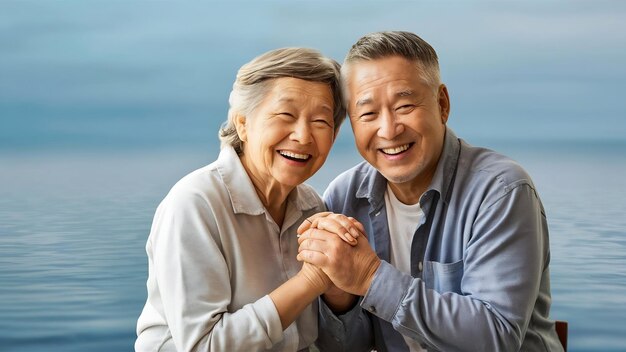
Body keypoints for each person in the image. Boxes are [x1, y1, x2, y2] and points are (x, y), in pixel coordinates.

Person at [297, 31, 564, 351]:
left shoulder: (501, 191)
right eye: (368, 113)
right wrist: (338, 297)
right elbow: (347, 345)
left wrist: (369, 275)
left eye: (405, 105)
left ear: (442, 104)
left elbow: (497, 338)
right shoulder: (344, 196)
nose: (389, 129)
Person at [135, 47, 361, 351]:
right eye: (286, 115)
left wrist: (339, 287)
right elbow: (204, 345)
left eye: (321, 122)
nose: (304, 136)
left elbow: (330, 341)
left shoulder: (313, 207)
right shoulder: (195, 204)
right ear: (243, 123)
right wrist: (310, 281)